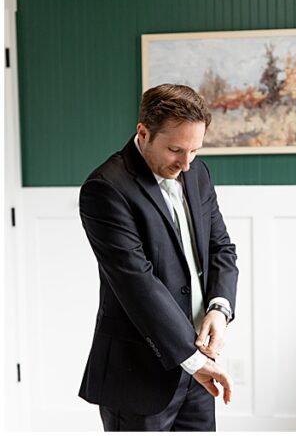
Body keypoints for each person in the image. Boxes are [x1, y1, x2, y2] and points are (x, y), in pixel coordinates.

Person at [78, 84, 238, 431]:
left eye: (195, 150)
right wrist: (192, 360)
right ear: (143, 132)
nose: (185, 163)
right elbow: (137, 281)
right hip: (138, 374)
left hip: (199, 368)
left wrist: (220, 309)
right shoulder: (106, 188)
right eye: (175, 149)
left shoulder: (197, 173)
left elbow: (221, 248)